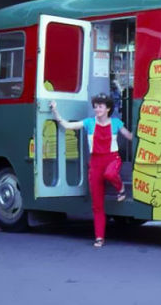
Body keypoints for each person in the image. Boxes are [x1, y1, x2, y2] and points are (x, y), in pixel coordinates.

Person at [50, 93, 133, 248]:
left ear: (108, 108)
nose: (97, 109)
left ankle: (121, 189)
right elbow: (68, 126)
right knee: (97, 204)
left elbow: (129, 136)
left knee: (110, 174)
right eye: (95, 106)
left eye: (100, 106)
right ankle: (99, 237)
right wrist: (55, 112)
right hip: (95, 163)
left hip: (112, 159)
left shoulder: (116, 123)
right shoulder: (89, 123)